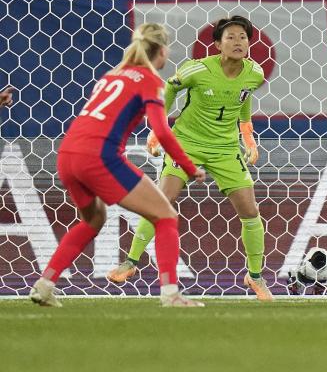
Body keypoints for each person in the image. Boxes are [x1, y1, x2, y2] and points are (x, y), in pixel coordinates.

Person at [29, 23, 205, 308]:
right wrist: (188, 166)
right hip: (99, 156)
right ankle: (171, 294)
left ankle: (45, 283)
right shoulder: (150, 80)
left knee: (93, 220)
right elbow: (161, 130)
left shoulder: (112, 75)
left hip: (67, 154)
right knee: (165, 216)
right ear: (161, 51)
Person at [107, 16, 272, 302]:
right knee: (162, 200)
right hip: (187, 143)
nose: (237, 42)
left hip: (225, 148)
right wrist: (158, 131)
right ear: (218, 44)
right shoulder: (197, 70)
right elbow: (169, 89)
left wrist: (247, 134)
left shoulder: (254, 72)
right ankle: (131, 261)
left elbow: (244, 98)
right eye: (230, 37)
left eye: (242, 37)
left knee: (250, 211)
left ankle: (255, 276)